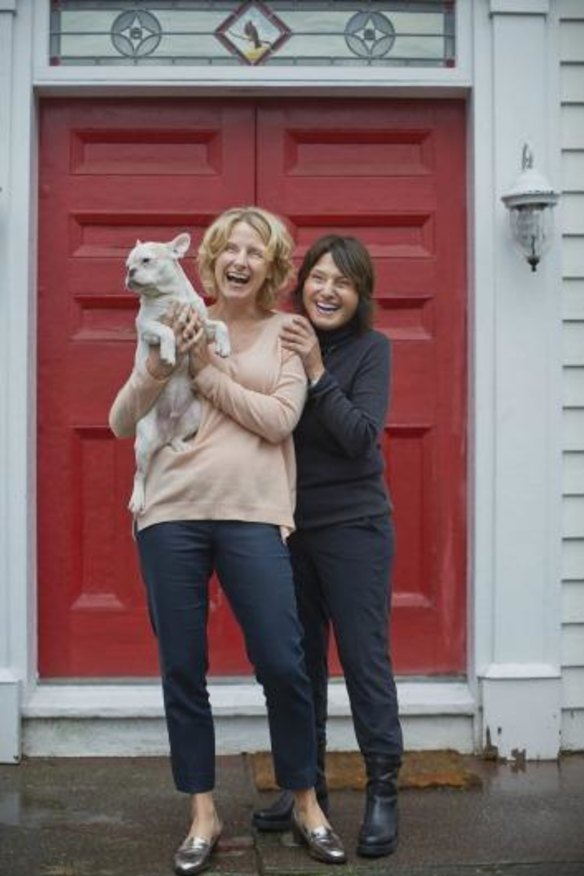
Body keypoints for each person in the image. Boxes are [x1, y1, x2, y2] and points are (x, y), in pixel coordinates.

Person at [109, 208, 346, 874]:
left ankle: (306, 802)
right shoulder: (173, 318)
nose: (240, 260)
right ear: (209, 260)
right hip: (169, 512)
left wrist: (204, 367)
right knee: (182, 668)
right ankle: (203, 812)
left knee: (282, 659)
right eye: (229, 249)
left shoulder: (288, 334)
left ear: (272, 268)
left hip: (252, 511)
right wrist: (162, 367)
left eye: (256, 251)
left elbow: (278, 421)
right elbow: (121, 420)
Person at [252, 234, 404, 858]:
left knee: (365, 662)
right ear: (302, 283)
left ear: (359, 294)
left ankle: (383, 790)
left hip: (354, 527)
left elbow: (359, 439)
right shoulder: (281, 337)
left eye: (343, 281)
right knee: (297, 664)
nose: (328, 290)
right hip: (286, 525)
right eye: (319, 277)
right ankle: (304, 786)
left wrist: (317, 370)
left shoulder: (372, 350)